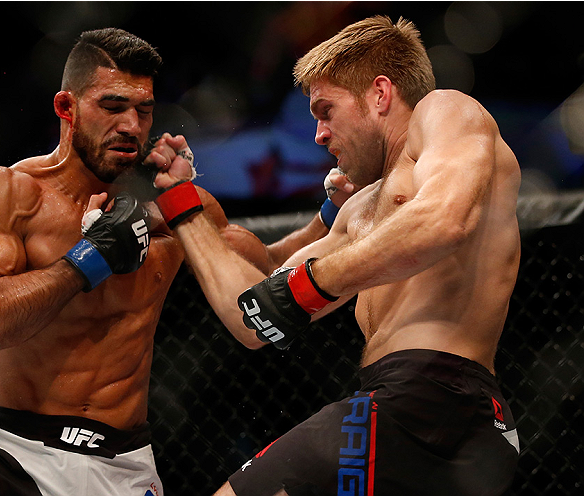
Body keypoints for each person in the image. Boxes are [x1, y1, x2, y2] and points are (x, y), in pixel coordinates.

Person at [0, 28, 331, 496]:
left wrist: (332, 214)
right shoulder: (9, 193)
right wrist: (87, 260)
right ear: (67, 108)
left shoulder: (175, 205)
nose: (131, 126)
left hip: (123, 468)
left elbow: (265, 271)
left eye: (143, 110)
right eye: (113, 107)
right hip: (10, 455)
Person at [157, 15, 522, 496]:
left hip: (434, 395)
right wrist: (183, 205)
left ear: (380, 94)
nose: (319, 135)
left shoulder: (445, 111)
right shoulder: (360, 210)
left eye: (326, 111)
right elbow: (254, 315)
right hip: (419, 409)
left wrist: (310, 284)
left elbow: (444, 219)